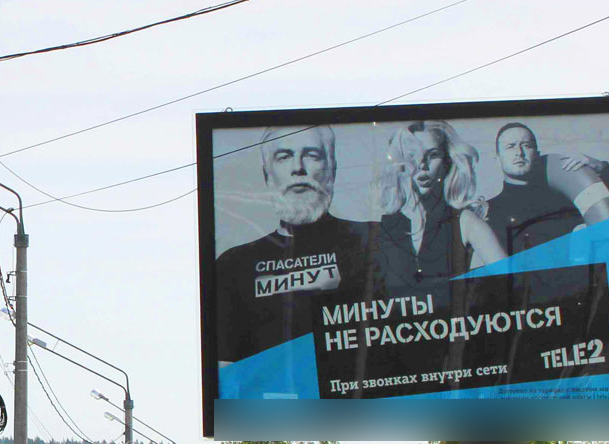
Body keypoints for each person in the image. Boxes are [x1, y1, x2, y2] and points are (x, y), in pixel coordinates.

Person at [213, 124, 370, 365]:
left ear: (332, 170)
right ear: (267, 174)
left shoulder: (373, 241)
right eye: (284, 157)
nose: (298, 168)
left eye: (312, 155)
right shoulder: (232, 266)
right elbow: (225, 370)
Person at [369, 121, 505, 302]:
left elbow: (509, 281)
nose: (422, 165)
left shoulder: (464, 221)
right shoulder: (382, 224)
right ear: (400, 163)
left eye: (432, 155)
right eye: (411, 156)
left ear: (447, 162)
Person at [482, 121, 609, 255]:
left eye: (526, 145)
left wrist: (602, 169)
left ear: (537, 155)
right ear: (498, 160)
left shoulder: (565, 201)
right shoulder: (488, 212)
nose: (519, 152)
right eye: (510, 146)